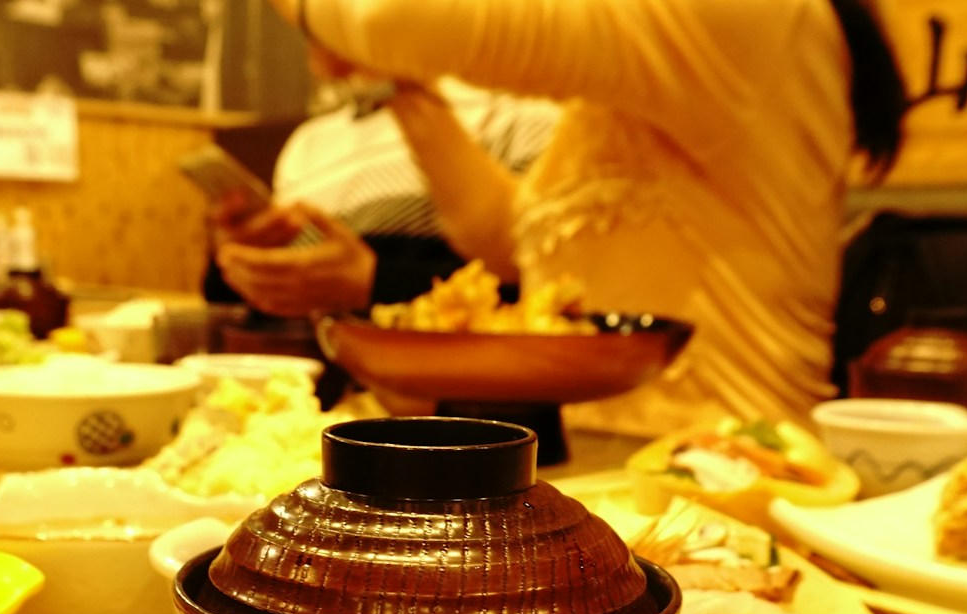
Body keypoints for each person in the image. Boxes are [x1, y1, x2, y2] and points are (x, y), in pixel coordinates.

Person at [263, 0, 908, 438]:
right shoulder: (650, 71)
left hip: (730, 473)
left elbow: (391, 15)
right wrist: (401, 86)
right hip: (612, 472)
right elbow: (511, 238)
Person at [206, 48, 560, 319]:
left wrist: (375, 282)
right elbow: (277, 295)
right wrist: (236, 261)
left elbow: (543, 293)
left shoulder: (528, 116)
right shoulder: (310, 142)